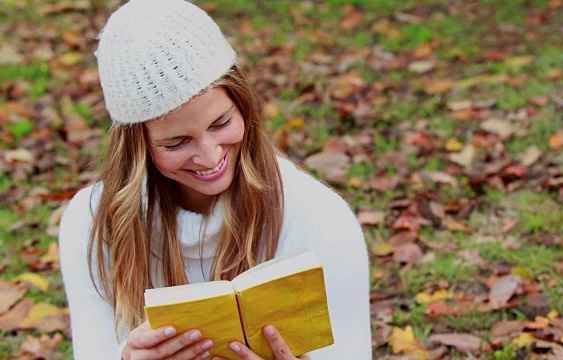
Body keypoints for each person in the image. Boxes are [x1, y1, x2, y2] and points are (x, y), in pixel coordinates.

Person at [58, 0, 372, 359]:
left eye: (220, 124)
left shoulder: (320, 220)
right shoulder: (91, 223)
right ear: (138, 148)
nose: (210, 157)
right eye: (176, 143)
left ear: (243, 105)